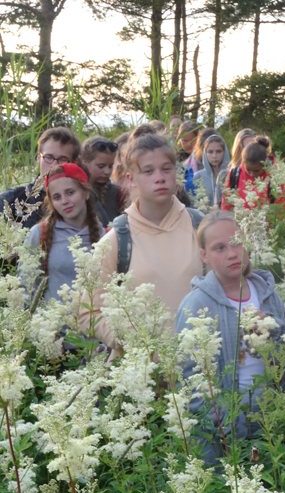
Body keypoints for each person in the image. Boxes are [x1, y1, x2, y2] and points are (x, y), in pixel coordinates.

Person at [175, 211, 285, 461]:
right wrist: (230, 428)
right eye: (219, 248)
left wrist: (272, 331)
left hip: (273, 420)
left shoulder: (268, 294)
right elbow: (192, 386)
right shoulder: (195, 306)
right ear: (204, 255)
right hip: (225, 434)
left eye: (237, 242)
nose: (232, 253)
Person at [81, 133, 205, 351]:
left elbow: (229, 291)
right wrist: (129, 338)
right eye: (148, 171)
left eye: (166, 169)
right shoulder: (117, 240)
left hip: (198, 364)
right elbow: (89, 314)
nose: (159, 177)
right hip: (140, 368)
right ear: (131, 179)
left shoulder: (200, 226)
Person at [24, 163, 102, 303]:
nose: (65, 201)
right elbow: (25, 288)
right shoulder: (39, 234)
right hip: (52, 316)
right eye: (57, 197)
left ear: (86, 193)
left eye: (70, 193)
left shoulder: (106, 237)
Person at [0, 127, 80, 230]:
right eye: (49, 157)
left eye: (63, 159)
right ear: (39, 157)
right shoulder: (10, 200)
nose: (54, 165)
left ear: (74, 163)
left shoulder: (81, 202)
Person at [220, 140, 285, 212]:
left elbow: (282, 209)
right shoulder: (234, 175)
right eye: (248, 170)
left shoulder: (275, 178)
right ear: (243, 163)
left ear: (264, 164)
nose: (252, 174)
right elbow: (226, 206)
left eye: (256, 171)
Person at [80, 136, 121, 224]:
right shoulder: (76, 192)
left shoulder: (116, 193)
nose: (107, 172)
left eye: (110, 166)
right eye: (101, 166)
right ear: (84, 161)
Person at [196, 134, 231, 209]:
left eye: (218, 151)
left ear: (224, 152)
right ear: (205, 153)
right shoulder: (198, 177)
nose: (214, 156)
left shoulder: (230, 175)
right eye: (210, 152)